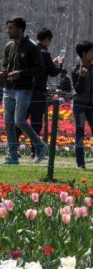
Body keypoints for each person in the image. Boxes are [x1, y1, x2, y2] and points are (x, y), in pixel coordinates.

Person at [2, 18, 46, 165]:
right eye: (8, 28)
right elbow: (5, 66)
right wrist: (4, 72)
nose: (8, 31)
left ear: (20, 29)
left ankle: (40, 146)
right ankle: (13, 156)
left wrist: (21, 73)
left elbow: (39, 69)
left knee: (19, 120)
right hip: (9, 88)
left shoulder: (32, 47)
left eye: (11, 28)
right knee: (8, 123)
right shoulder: (9, 46)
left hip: (24, 89)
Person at [25, 28, 64, 159]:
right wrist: (60, 67)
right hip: (38, 92)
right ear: (47, 39)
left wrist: (51, 64)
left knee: (21, 120)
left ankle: (13, 148)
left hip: (26, 90)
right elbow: (52, 72)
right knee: (36, 122)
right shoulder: (44, 53)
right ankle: (35, 150)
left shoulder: (30, 50)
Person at [70, 41, 93, 169]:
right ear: (84, 54)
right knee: (80, 134)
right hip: (80, 105)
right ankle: (81, 164)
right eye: (91, 52)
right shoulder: (75, 70)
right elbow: (78, 89)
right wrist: (81, 77)